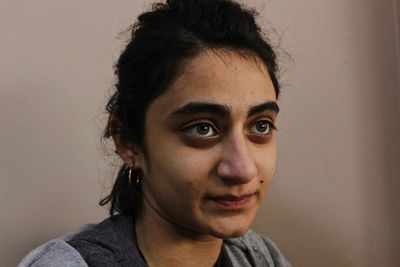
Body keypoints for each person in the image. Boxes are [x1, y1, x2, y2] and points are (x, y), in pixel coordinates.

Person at [19, 0, 291, 266]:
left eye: (260, 126)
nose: (243, 170)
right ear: (129, 142)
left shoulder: (258, 256)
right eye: (202, 128)